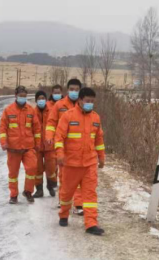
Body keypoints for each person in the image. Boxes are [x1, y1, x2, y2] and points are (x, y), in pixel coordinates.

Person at [55, 87, 106, 235]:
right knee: (66, 193)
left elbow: (99, 139)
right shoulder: (68, 116)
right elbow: (59, 137)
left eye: (92, 101)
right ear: (80, 100)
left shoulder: (96, 118)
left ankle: (91, 223)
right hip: (71, 164)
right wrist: (59, 154)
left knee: (90, 194)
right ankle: (64, 214)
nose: (90, 103)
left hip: (89, 164)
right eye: (87, 101)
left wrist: (101, 156)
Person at [45, 78, 84, 212]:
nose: (74, 92)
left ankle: (78, 204)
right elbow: (51, 123)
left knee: (80, 178)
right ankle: (63, 200)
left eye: (77, 90)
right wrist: (49, 136)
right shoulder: (59, 105)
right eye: (72, 89)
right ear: (67, 90)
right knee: (64, 177)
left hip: (80, 148)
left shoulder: (83, 105)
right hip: (63, 147)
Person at [0, 86, 41, 204]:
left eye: (24, 96)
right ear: (15, 96)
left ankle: (28, 191)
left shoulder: (31, 110)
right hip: (13, 149)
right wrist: (3, 142)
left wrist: (37, 143)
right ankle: (13, 195)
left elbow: (37, 128)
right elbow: (3, 128)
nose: (23, 98)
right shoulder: (8, 110)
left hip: (29, 147)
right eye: (20, 96)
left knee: (32, 169)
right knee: (13, 174)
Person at [33, 90, 56, 198]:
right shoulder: (32, 112)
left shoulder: (52, 111)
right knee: (37, 169)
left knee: (51, 168)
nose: (41, 100)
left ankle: (50, 186)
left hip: (50, 145)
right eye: (39, 99)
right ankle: (39, 190)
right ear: (36, 100)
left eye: (43, 98)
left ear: (46, 100)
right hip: (36, 146)